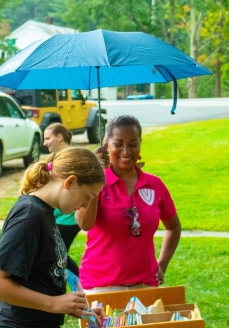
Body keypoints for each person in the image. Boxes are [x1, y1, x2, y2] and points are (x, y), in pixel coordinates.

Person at [0, 147, 105, 328]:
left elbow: (47, 270)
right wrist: (54, 304)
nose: (86, 205)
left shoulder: (45, 213)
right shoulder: (30, 215)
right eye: (87, 197)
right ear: (70, 182)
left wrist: (76, 308)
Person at [76, 115, 182, 294]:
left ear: (140, 143)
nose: (126, 151)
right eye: (118, 144)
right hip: (100, 287)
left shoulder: (154, 184)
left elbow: (174, 226)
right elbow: (84, 224)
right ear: (106, 144)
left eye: (133, 144)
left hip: (145, 285)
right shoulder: (95, 183)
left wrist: (162, 263)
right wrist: (95, 177)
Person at [43, 123, 80, 276]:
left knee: (56, 255)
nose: (44, 143)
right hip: (56, 216)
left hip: (67, 219)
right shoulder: (55, 158)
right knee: (55, 255)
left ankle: (80, 284)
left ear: (59, 137)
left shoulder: (71, 158)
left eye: (47, 138)